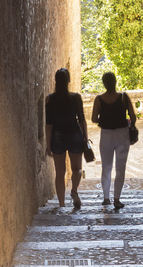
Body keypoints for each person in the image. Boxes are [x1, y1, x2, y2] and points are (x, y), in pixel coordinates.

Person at [45, 67, 88, 212]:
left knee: (60, 172)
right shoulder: (76, 98)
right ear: (69, 80)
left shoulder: (50, 99)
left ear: (55, 81)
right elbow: (82, 121)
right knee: (77, 169)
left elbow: (49, 125)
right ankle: (74, 190)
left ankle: (62, 204)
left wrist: (48, 145)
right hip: (75, 134)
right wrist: (86, 139)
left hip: (57, 136)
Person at [92, 71, 137, 210]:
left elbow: (94, 119)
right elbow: (133, 116)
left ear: (104, 83)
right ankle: (117, 199)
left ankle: (106, 198)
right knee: (120, 167)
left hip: (106, 135)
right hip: (122, 135)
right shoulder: (123, 97)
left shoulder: (99, 99)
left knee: (106, 166)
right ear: (115, 82)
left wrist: (105, 120)